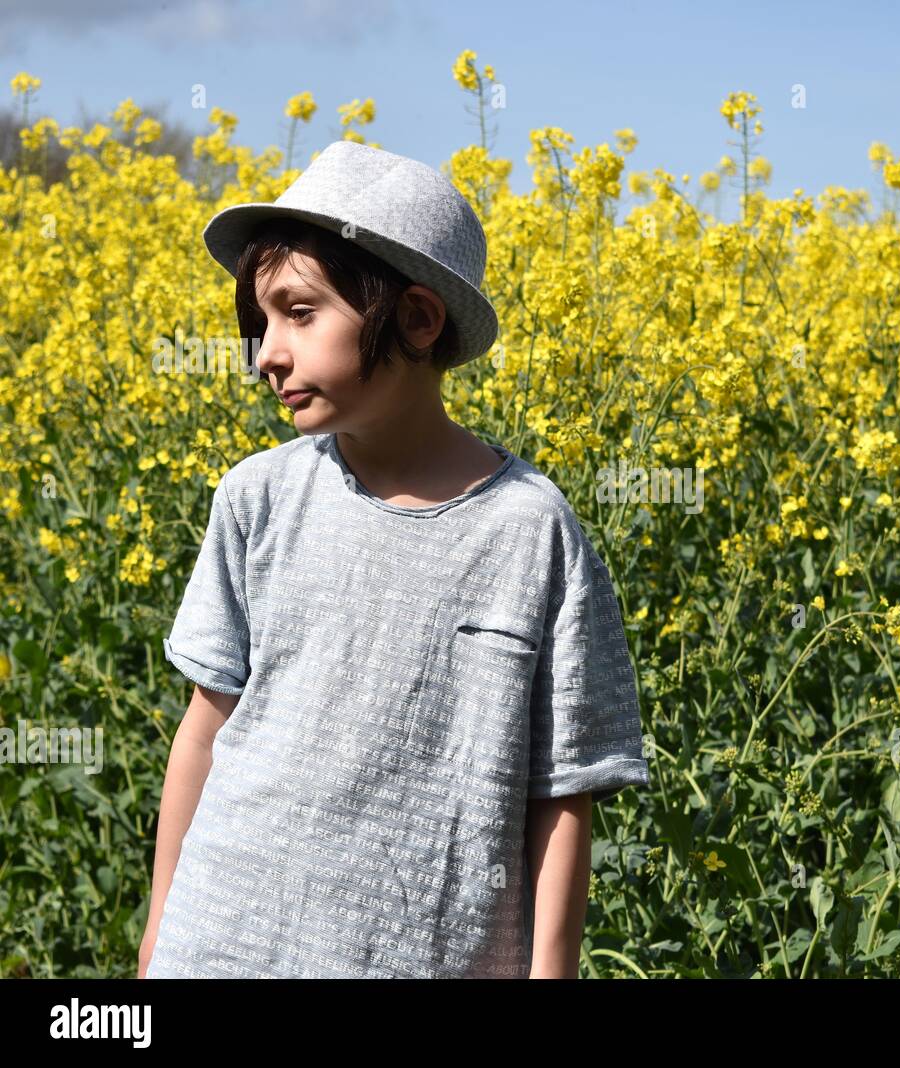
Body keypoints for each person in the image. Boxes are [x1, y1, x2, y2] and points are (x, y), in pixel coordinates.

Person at [138, 140, 651, 979]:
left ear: (417, 318)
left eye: (300, 314)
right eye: (260, 322)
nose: (267, 352)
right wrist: (161, 932)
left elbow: (564, 792)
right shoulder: (257, 496)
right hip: (220, 944)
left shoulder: (529, 531)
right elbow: (206, 728)